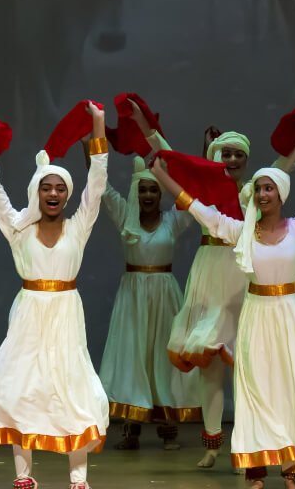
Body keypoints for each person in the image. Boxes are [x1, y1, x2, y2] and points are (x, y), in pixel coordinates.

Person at [150, 126, 295, 487]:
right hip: (256, 315)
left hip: (291, 316)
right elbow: (197, 208)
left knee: (291, 386)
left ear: (280, 194)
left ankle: (291, 465)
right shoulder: (239, 232)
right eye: (258, 189)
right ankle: (256, 466)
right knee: (255, 389)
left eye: (269, 188)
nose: (263, 194)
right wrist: (161, 175)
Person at [129, 102, 295, 468]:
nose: (230, 158)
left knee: (255, 365)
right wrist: (143, 124)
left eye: (236, 153)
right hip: (209, 275)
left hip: (245, 276)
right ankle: (213, 443)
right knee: (210, 366)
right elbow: (166, 156)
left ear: (245, 158)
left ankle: (264, 441)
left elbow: (287, 165)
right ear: (214, 156)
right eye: (224, 153)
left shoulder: (255, 190)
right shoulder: (202, 186)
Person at [0, 103, 110, 489]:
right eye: (47, 187)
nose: (53, 193)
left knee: (72, 385)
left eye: (60, 188)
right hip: (30, 314)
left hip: (66, 313)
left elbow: (97, 182)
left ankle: (78, 478)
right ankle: (23, 475)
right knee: (22, 385)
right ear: (36, 192)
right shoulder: (18, 228)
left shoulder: (78, 226)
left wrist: (98, 123)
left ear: (67, 195)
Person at [97, 142, 201, 451]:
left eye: (153, 191)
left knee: (162, 356)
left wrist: (206, 155)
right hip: (132, 296)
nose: (147, 196)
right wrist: (91, 149)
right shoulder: (125, 217)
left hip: (164, 294)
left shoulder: (173, 220)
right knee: (133, 356)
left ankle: (168, 428)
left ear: (160, 194)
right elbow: (101, 187)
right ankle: (131, 429)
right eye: (142, 190)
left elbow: (195, 197)